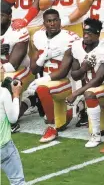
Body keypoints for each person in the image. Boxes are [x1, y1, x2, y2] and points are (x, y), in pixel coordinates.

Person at [65, 18, 104, 148]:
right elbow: (75, 75)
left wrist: (76, 94)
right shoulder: (76, 46)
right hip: (90, 90)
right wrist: (83, 68)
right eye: (84, 32)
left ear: (97, 35)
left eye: (89, 33)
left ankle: (95, 137)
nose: (85, 36)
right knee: (102, 126)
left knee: (90, 93)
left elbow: (99, 79)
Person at [27, 9, 80, 143]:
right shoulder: (38, 36)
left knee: (42, 89)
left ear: (60, 21)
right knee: (61, 124)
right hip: (47, 80)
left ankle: (51, 128)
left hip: (64, 81)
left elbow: (63, 71)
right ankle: (65, 116)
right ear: (44, 23)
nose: (52, 23)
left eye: (55, 20)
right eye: (49, 21)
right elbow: (33, 69)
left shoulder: (69, 37)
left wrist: (40, 81)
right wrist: (42, 57)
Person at [0, 0, 32, 89]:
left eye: (1, 15)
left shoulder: (19, 31)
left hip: (21, 69)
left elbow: (13, 66)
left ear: (10, 16)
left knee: (7, 82)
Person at [0, 78, 26, 185]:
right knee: (17, 181)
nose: (2, 68)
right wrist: (15, 95)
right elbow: (13, 118)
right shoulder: (3, 92)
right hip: (4, 146)